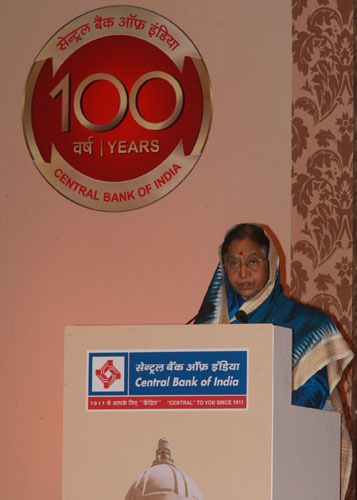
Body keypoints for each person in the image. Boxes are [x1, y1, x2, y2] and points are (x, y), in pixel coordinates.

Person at [195, 223, 354, 497]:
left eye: (253, 261)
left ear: (271, 262)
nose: (243, 273)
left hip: (289, 457)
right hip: (218, 461)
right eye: (233, 263)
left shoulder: (308, 325)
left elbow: (312, 397)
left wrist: (257, 416)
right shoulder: (206, 329)